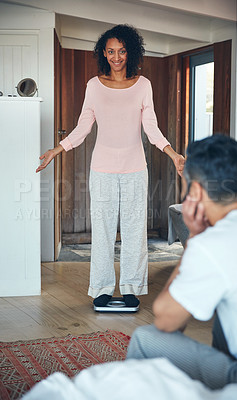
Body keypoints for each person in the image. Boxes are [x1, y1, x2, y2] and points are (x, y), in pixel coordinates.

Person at [36, 24, 185, 308]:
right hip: (102, 169)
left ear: (130, 52)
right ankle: (102, 288)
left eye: (122, 51)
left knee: (134, 230)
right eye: (111, 51)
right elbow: (82, 128)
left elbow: (151, 128)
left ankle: (131, 287)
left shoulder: (143, 86)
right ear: (104, 53)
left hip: (135, 169)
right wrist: (57, 150)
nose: (116, 57)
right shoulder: (94, 86)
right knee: (103, 231)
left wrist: (173, 153)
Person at [126, 135, 237, 396]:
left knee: (146, 340)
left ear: (197, 192)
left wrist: (195, 240)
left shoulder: (214, 243)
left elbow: (167, 321)